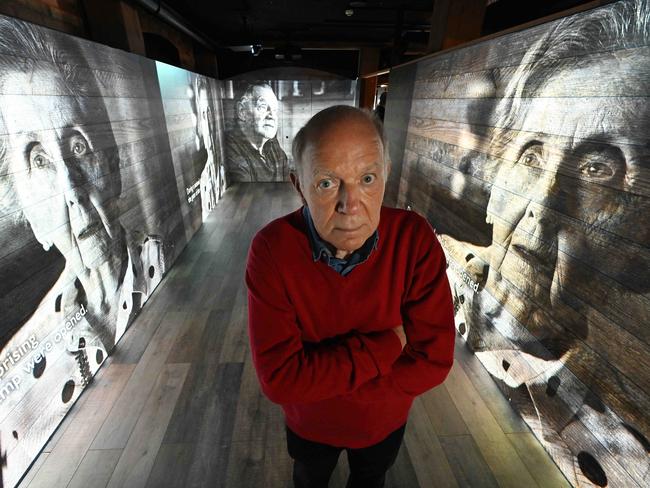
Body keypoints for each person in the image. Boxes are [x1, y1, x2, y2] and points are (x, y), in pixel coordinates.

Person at [448, 0, 650, 485]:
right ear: (496, 177)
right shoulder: (434, 263)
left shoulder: (625, 451)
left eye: (597, 169)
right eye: (532, 155)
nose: (543, 204)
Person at [246, 105, 455, 488]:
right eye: (327, 183)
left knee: (369, 480)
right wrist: (390, 344)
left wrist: (318, 382)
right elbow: (279, 380)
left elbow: (435, 361)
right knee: (309, 480)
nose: (350, 204)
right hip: (312, 428)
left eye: (368, 178)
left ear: (386, 175)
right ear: (298, 185)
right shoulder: (272, 249)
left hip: (380, 427)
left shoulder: (415, 240)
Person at [0, 18, 165, 486]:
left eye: (78, 146)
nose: (71, 189)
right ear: (25, 209)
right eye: (38, 159)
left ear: (111, 163)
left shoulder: (161, 254)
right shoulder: (17, 387)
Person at [224, 83, 288, 182]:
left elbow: (287, 184)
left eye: (275, 110)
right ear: (242, 111)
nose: (271, 115)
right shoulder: (231, 150)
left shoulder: (272, 144)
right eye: (262, 106)